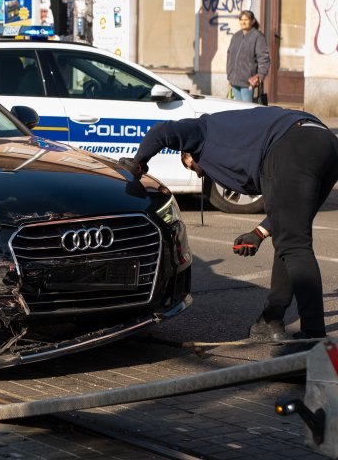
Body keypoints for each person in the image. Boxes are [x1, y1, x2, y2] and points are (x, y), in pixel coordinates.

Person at [118, 107, 338, 352]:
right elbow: (284, 216)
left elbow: (161, 131)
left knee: (294, 246)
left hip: (290, 146)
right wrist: (258, 233)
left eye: (190, 166)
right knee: (290, 239)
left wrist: (137, 163)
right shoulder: (230, 132)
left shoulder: (201, 130)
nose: (197, 173)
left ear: (189, 152)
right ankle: (270, 320)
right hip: (325, 142)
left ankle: (314, 336)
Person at [226, 10, 270, 103]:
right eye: (241, 20)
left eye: (246, 19)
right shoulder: (236, 36)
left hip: (248, 82)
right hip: (234, 81)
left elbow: (263, 57)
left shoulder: (257, 36)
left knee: (247, 108)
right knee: (237, 107)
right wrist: (229, 77)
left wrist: (260, 76)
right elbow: (229, 56)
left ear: (252, 21)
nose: (243, 22)